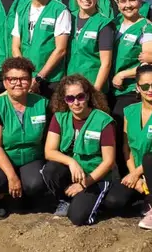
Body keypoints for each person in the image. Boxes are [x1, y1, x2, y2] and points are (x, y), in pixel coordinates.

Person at [102, 65, 152, 230]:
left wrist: (136, 173)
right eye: (145, 86)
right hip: (136, 171)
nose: (151, 90)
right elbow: (126, 148)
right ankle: (145, 196)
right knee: (113, 201)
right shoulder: (129, 111)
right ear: (137, 87)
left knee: (150, 158)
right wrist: (135, 176)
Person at [41, 74, 116, 226]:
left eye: (80, 97)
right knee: (50, 169)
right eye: (70, 98)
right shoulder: (59, 117)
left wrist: (84, 184)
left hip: (95, 177)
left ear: (88, 96)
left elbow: (108, 162)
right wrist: (71, 162)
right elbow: (49, 152)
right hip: (73, 172)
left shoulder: (103, 121)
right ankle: (65, 200)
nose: (76, 102)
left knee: (77, 218)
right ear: (64, 99)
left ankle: (93, 201)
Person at [0, 57, 49, 219]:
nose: (18, 83)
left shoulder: (43, 104)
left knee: (35, 184)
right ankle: (0, 200)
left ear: (31, 80)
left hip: (32, 157)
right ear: (5, 82)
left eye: (23, 79)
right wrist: (12, 176)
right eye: (12, 79)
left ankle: (26, 193)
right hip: (5, 156)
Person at [12, 0, 71, 100]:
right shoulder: (21, 9)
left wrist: (38, 78)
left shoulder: (59, 10)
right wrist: (26, 75)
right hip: (27, 80)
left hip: (51, 81)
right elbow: (15, 46)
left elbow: (61, 50)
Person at [110, 0, 152, 120]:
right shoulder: (114, 24)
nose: (128, 5)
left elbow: (151, 66)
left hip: (130, 91)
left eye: (132, 0)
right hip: (109, 90)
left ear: (140, 1)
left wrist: (123, 74)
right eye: (123, 1)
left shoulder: (146, 28)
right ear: (117, 3)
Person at [66, 0, 114, 93]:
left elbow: (106, 63)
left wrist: (95, 91)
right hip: (71, 85)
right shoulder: (69, 18)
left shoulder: (103, 24)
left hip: (92, 84)